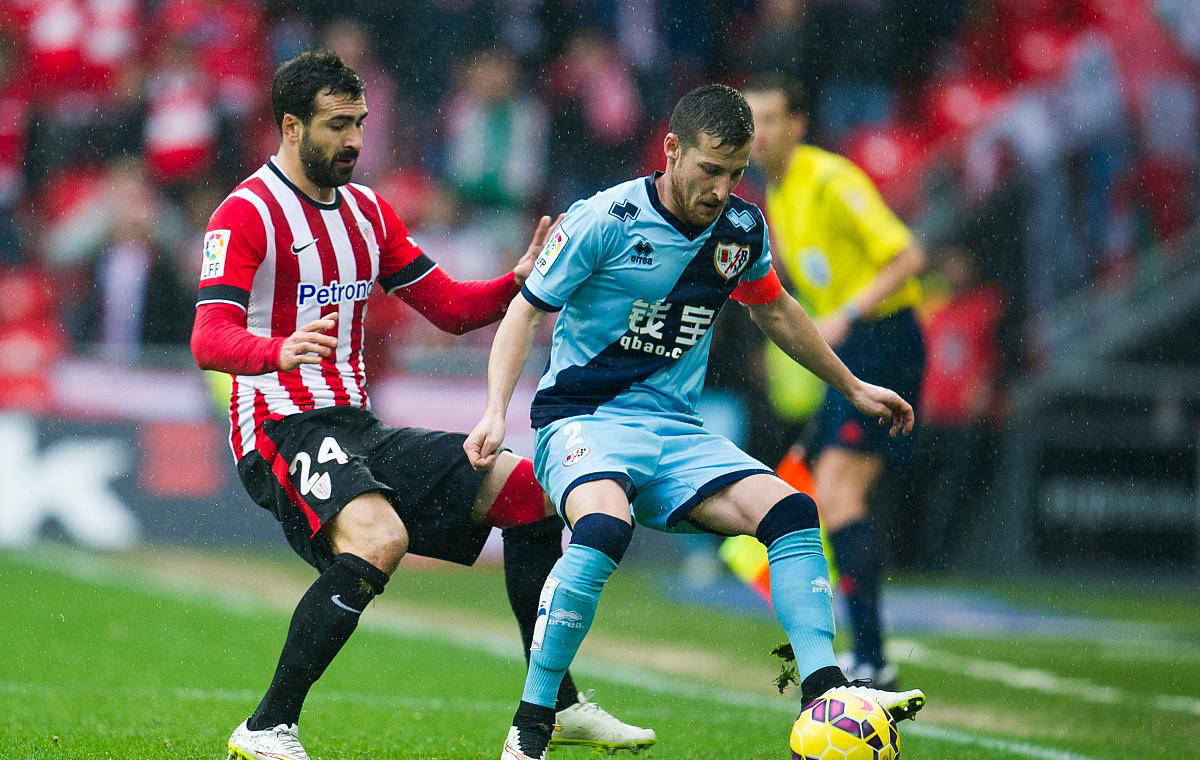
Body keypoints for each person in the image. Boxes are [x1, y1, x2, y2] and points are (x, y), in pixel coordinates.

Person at [189, 51, 653, 760]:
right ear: (290, 126)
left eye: (360, 123)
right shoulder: (245, 213)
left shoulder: (368, 211)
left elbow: (452, 310)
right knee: (379, 538)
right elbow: (208, 337)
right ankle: (266, 727)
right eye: (337, 125)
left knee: (530, 494)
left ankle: (556, 703)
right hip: (279, 427)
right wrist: (276, 351)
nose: (354, 139)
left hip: (356, 427)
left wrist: (516, 281)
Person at [464, 83, 927, 760]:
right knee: (602, 529)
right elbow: (524, 312)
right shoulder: (603, 219)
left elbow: (776, 309)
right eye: (710, 170)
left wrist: (852, 386)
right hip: (584, 420)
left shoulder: (740, 228)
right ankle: (533, 725)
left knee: (793, 511)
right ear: (672, 149)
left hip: (676, 434)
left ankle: (826, 694)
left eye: (736, 173)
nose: (721, 189)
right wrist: (493, 411)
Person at [743, 72, 928, 689]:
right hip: (851, 349)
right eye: (751, 120)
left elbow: (907, 256)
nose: (758, 133)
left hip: (883, 337)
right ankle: (865, 651)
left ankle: (871, 656)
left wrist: (846, 314)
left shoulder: (830, 179)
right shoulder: (777, 191)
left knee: (839, 491)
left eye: (770, 119)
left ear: (798, 125)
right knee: (827, 491)